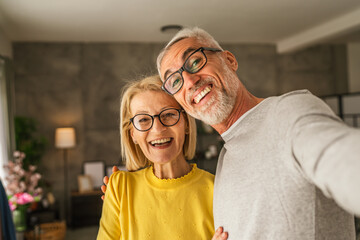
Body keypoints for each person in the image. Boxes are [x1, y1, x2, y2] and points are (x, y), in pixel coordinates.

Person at [154, 27, 360, 239]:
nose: (189, 81)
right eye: (175, 82)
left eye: (195, 62)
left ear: (229, 61)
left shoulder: (288, 113)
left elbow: (345, 159)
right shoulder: (226, 157)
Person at [97, 75, 228, 240]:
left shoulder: (219, 190)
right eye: (143, 119)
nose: (158, 129)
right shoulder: (119, 188)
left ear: (186, 123)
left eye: (168, 115)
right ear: (133, 135)